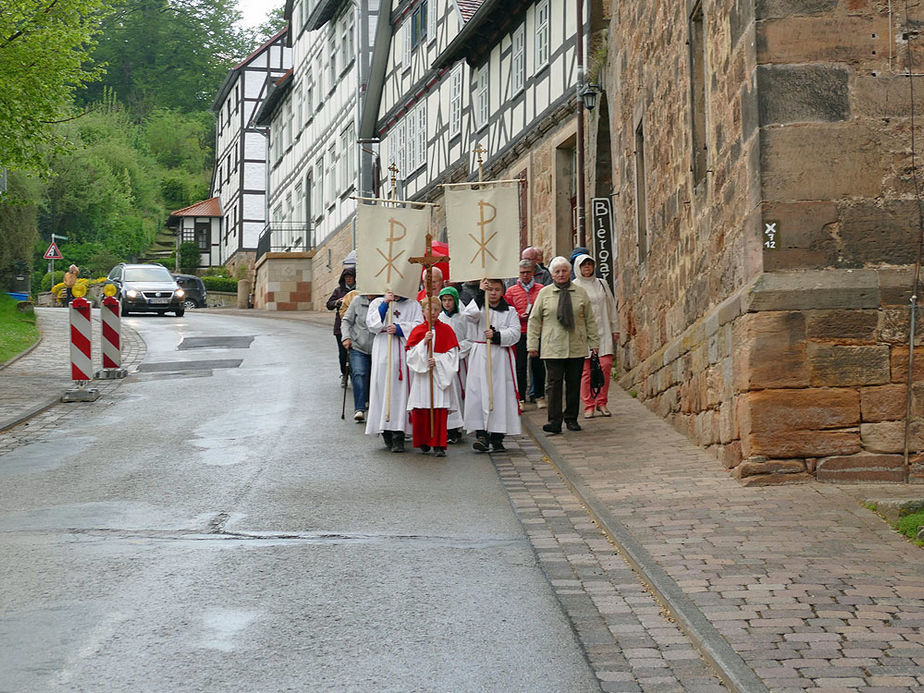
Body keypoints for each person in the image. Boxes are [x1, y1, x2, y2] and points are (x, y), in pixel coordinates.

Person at [527, 256, 599, 435]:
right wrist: (532, 344)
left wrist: (594, 343)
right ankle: (554, 421)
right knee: (554, 384)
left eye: (564, 271)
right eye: (557, 271)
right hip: (553, 346)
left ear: (569, 272)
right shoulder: (544, 293)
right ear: (551, 274)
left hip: (576, 345)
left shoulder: (580, 292)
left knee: (574, 383)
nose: (561, 274)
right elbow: (534, 320)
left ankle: (572, 419)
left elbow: (590, 319)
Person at [462, 278, 522, 452]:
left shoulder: (509, 311)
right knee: (479, 393)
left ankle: (497, 436)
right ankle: (481, 434)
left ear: (503, 291)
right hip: (480, 353)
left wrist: (497, 335)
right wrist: (480, 294)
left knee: (499, 394)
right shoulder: (479, 308)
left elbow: (515, 332)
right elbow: (469, 315)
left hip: (499, 357)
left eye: (497, 289)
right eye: (490, 290)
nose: (493, 293)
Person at [365, 290, 423, 452]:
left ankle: (399, 432)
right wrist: (385, 304)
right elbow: (372, 325)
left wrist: (400, 328)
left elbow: (419, 326)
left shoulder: (412, 304)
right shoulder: (377, 303)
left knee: (401, 392)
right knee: (383, 388)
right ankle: (385, 429)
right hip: (383, 348)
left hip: (404, 350)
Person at [405, 297, 460, 456]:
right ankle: (423, 441)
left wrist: (437, 361)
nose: (433, 313)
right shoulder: (418, 330)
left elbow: (452, 354)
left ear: (440, 311)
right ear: (423, 311)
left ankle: (439, 445)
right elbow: (410, 354)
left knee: (438, 409)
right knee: (422, 408)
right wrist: (424, 343)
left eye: (436, 310)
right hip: (423, 376)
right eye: (429, 309)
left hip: (439, 374)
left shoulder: (447, 330)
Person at [572, 254, 619, 418]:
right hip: (584, 334)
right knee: (586, 372)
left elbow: (611, 306)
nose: (587, 268)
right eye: (583, 265)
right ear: (578, 267)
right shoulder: (575, 286)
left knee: (605, 367)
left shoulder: (602, 284)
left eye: (589, 265)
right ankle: (588, 404)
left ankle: (602, 402)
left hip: (604, 330)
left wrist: (615, 328)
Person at [504, 260, 545, 409]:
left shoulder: (541, 289)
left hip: (537, 330)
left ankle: (539, 396)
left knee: (538, 365)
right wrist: (518, 316)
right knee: (519, 366)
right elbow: (508, 311)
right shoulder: (511, 291)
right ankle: (520, 397)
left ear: (533, 272)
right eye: (522, 273)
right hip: (519, 332)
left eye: (528, 272)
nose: (525, 275)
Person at [438, 286, 473, 443]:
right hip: (443, 362)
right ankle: (446, 427)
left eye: (450, 300)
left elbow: (470, 338)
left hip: (459, 361)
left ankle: (458, 427)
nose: (447, 303)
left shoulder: (463, 317)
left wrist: (458, 349)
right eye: (444, 300)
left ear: (455, 300)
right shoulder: (439, 318)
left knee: (458, 393)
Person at [341, 292, 377, 423]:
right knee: (359, 374)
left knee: (375, 378)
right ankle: (359, 409)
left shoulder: (383, 301)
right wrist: (346, 337)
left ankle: (373, 406)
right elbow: (346, 321)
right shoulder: (357, 300)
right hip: (358, 346)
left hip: (377, 347)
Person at [326, 265, 356, 388]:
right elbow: (329, 304)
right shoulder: (339, 290)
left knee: (355, 353)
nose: (348, 279)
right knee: (343, 353)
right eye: (346, 277)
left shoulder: (359, 290)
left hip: (356, 327)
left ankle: (355, 375)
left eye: (350, 277)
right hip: (341, 327)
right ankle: (344, 373)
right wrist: (337, 302)